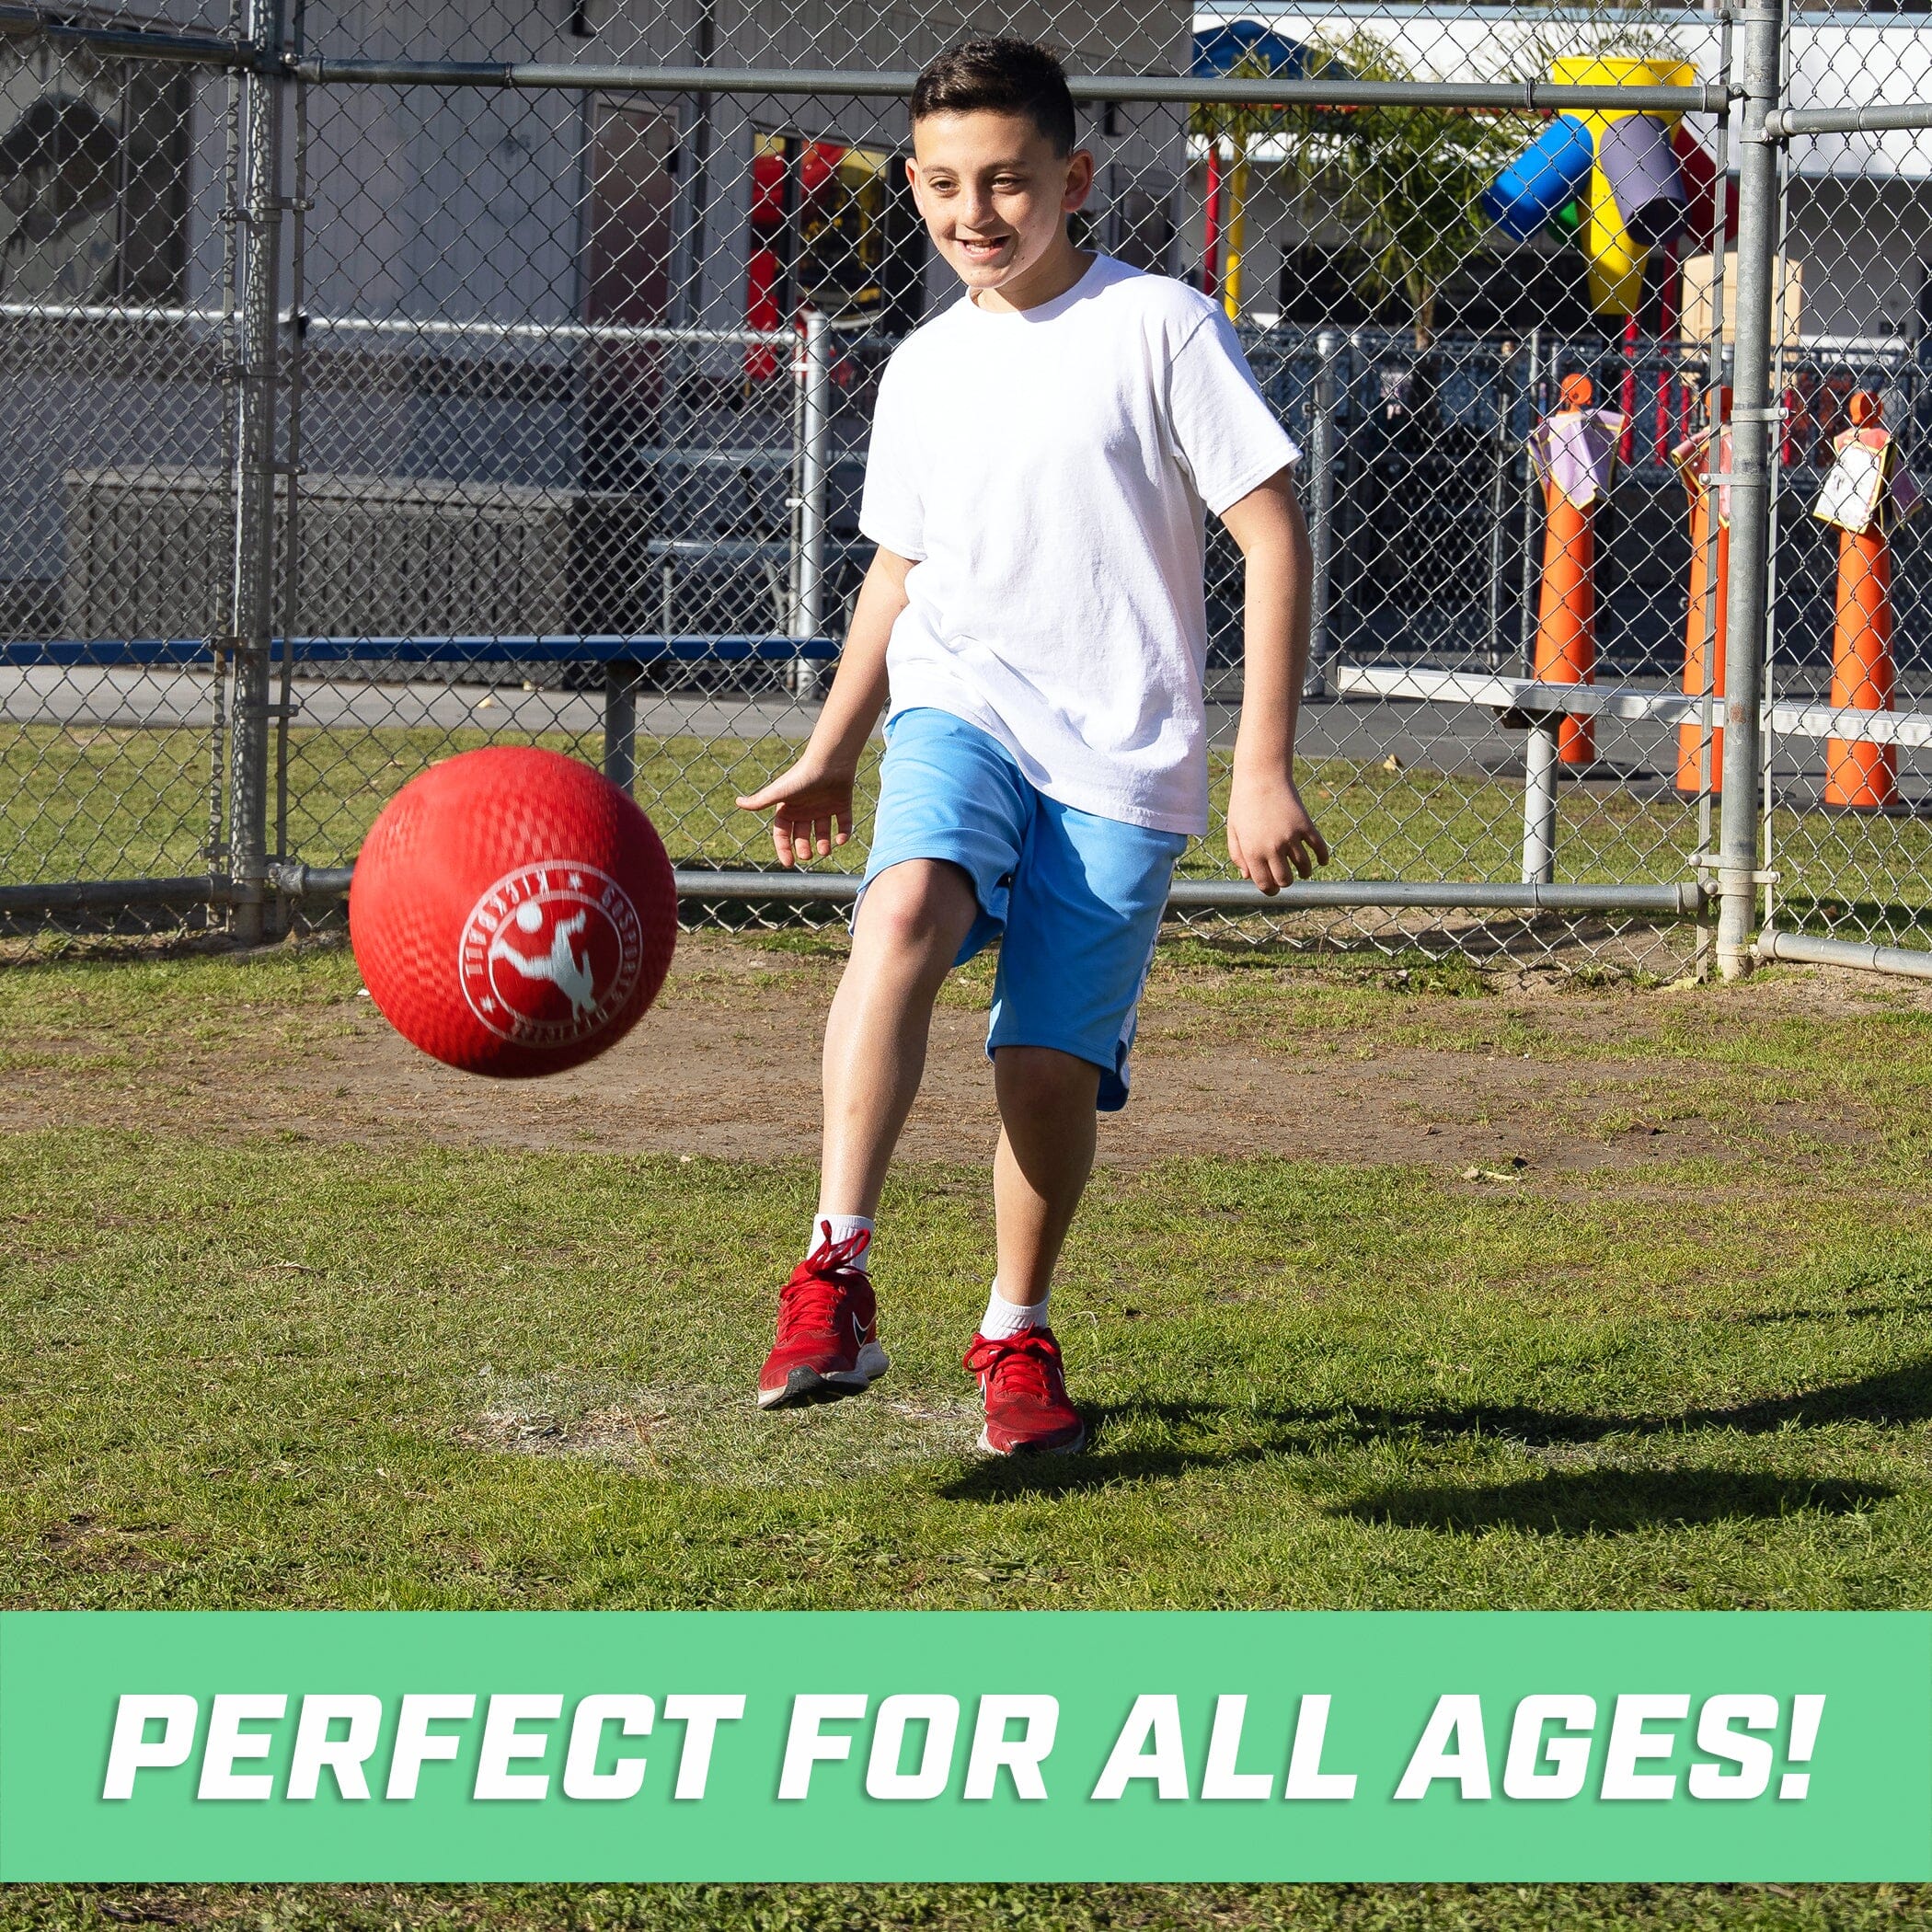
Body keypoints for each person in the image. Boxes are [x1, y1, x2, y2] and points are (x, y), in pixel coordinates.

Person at [736, 37, 1327, 1455]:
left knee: (1043, 1067)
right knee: (904, 912)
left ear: (1073, 177)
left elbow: (1271, 532)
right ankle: (835, 1268)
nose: (973, 213)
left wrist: (1259, 766)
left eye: (1005, 181)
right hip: (965, 707)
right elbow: (897, 574)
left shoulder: (1162, 327)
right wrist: (831, 749)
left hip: (1123, 757)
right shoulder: (927, 366)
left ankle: (1015, 1332)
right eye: (942, 184)